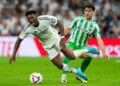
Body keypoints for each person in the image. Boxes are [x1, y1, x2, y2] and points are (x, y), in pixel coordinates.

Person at [9, 10, 93, 81]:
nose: (31, 20)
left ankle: (85, 49)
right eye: (29, 19)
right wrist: (13, 54)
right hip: (47, 46)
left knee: (71, 56)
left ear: (36, 16)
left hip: (55, 38)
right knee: (60, 66)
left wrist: (62, 38)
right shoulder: (28, 28)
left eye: (32, 18)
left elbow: (59, 23)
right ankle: (77, 71)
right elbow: (18, 40)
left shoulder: (45, 18)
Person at [61, 4, 110, 83]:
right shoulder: (78, 19)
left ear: (93, 12)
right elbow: (68, 29)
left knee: (89, 56)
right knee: (68, 53)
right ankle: (63, 76)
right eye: (86, 11)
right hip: (72, 42)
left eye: (89, 11)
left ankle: (79, 75)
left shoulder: (94, 26)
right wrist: (60, 37)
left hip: (82, 47)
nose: (87, 13)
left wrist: (104, 52)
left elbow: (99, 39)